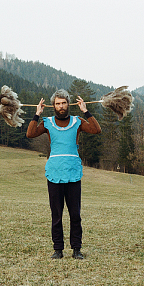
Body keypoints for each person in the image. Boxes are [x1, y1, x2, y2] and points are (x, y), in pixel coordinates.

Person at [26, 89, 101, 259]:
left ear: (69, 104)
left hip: (73, 173)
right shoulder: (47, 122)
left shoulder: (77, 121)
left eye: (64, 103)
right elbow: (30, 133)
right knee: (57, 214)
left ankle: (76, 249)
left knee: (75, 214)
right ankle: (58, 250)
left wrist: (85, 111)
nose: (61, 106)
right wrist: (37, 114)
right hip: (54, 173)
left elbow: (96, 130)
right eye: (58, 104)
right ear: (53, 106)